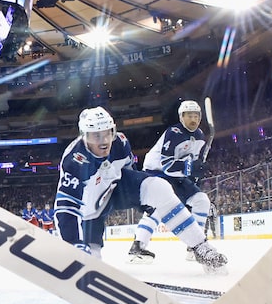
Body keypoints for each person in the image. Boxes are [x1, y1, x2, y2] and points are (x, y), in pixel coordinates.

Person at [53, 107, 227, 270]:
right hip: (90, 211)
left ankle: (200, 246)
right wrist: (73, 244)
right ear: (84, 136)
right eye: (96, 136)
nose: (104, 141)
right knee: (91, 261)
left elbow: (131, 173)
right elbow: (66, 207)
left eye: (107, 134)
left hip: (114, 189)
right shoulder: (75, 160)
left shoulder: (120, 143)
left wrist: (144, 199)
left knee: (159, 188)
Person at [142, 100, 215, 262]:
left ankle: (195, 246)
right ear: (181, 117)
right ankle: (138, 246)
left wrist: (197, 170)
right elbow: (167, 165)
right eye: (189, 116)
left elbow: (189, 163)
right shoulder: (173, 132)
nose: (193, 119)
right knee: (157, 209)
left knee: (202, 200)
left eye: (196, 116)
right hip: (156, 172)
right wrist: (190, 167)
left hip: (176, 174)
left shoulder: (200, 136)